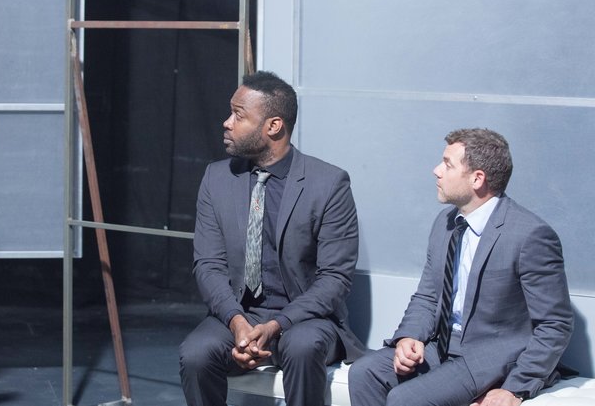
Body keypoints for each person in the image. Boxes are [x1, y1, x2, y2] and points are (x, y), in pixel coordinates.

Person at [348, 128, 574, 406]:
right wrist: (409, 337)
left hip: (489, 358)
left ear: (477, 179)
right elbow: (428, 295)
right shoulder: (445, 223)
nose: (436, 171)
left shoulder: (530, 235)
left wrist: (516, 387)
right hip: (441, 347)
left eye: (447, 164)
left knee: (405, 399)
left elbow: (554, 324)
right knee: (364, 372)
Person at [179, 71, 366, 406]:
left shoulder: (329, 183)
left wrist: (278, 324)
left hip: (303, 318)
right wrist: (237, 322)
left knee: (302, 346)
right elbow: (208, 265)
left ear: (274, 126)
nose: (226, 122)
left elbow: (335, 278)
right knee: (196, 354)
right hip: (238, 314)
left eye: (238, 115)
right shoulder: (217, 178)